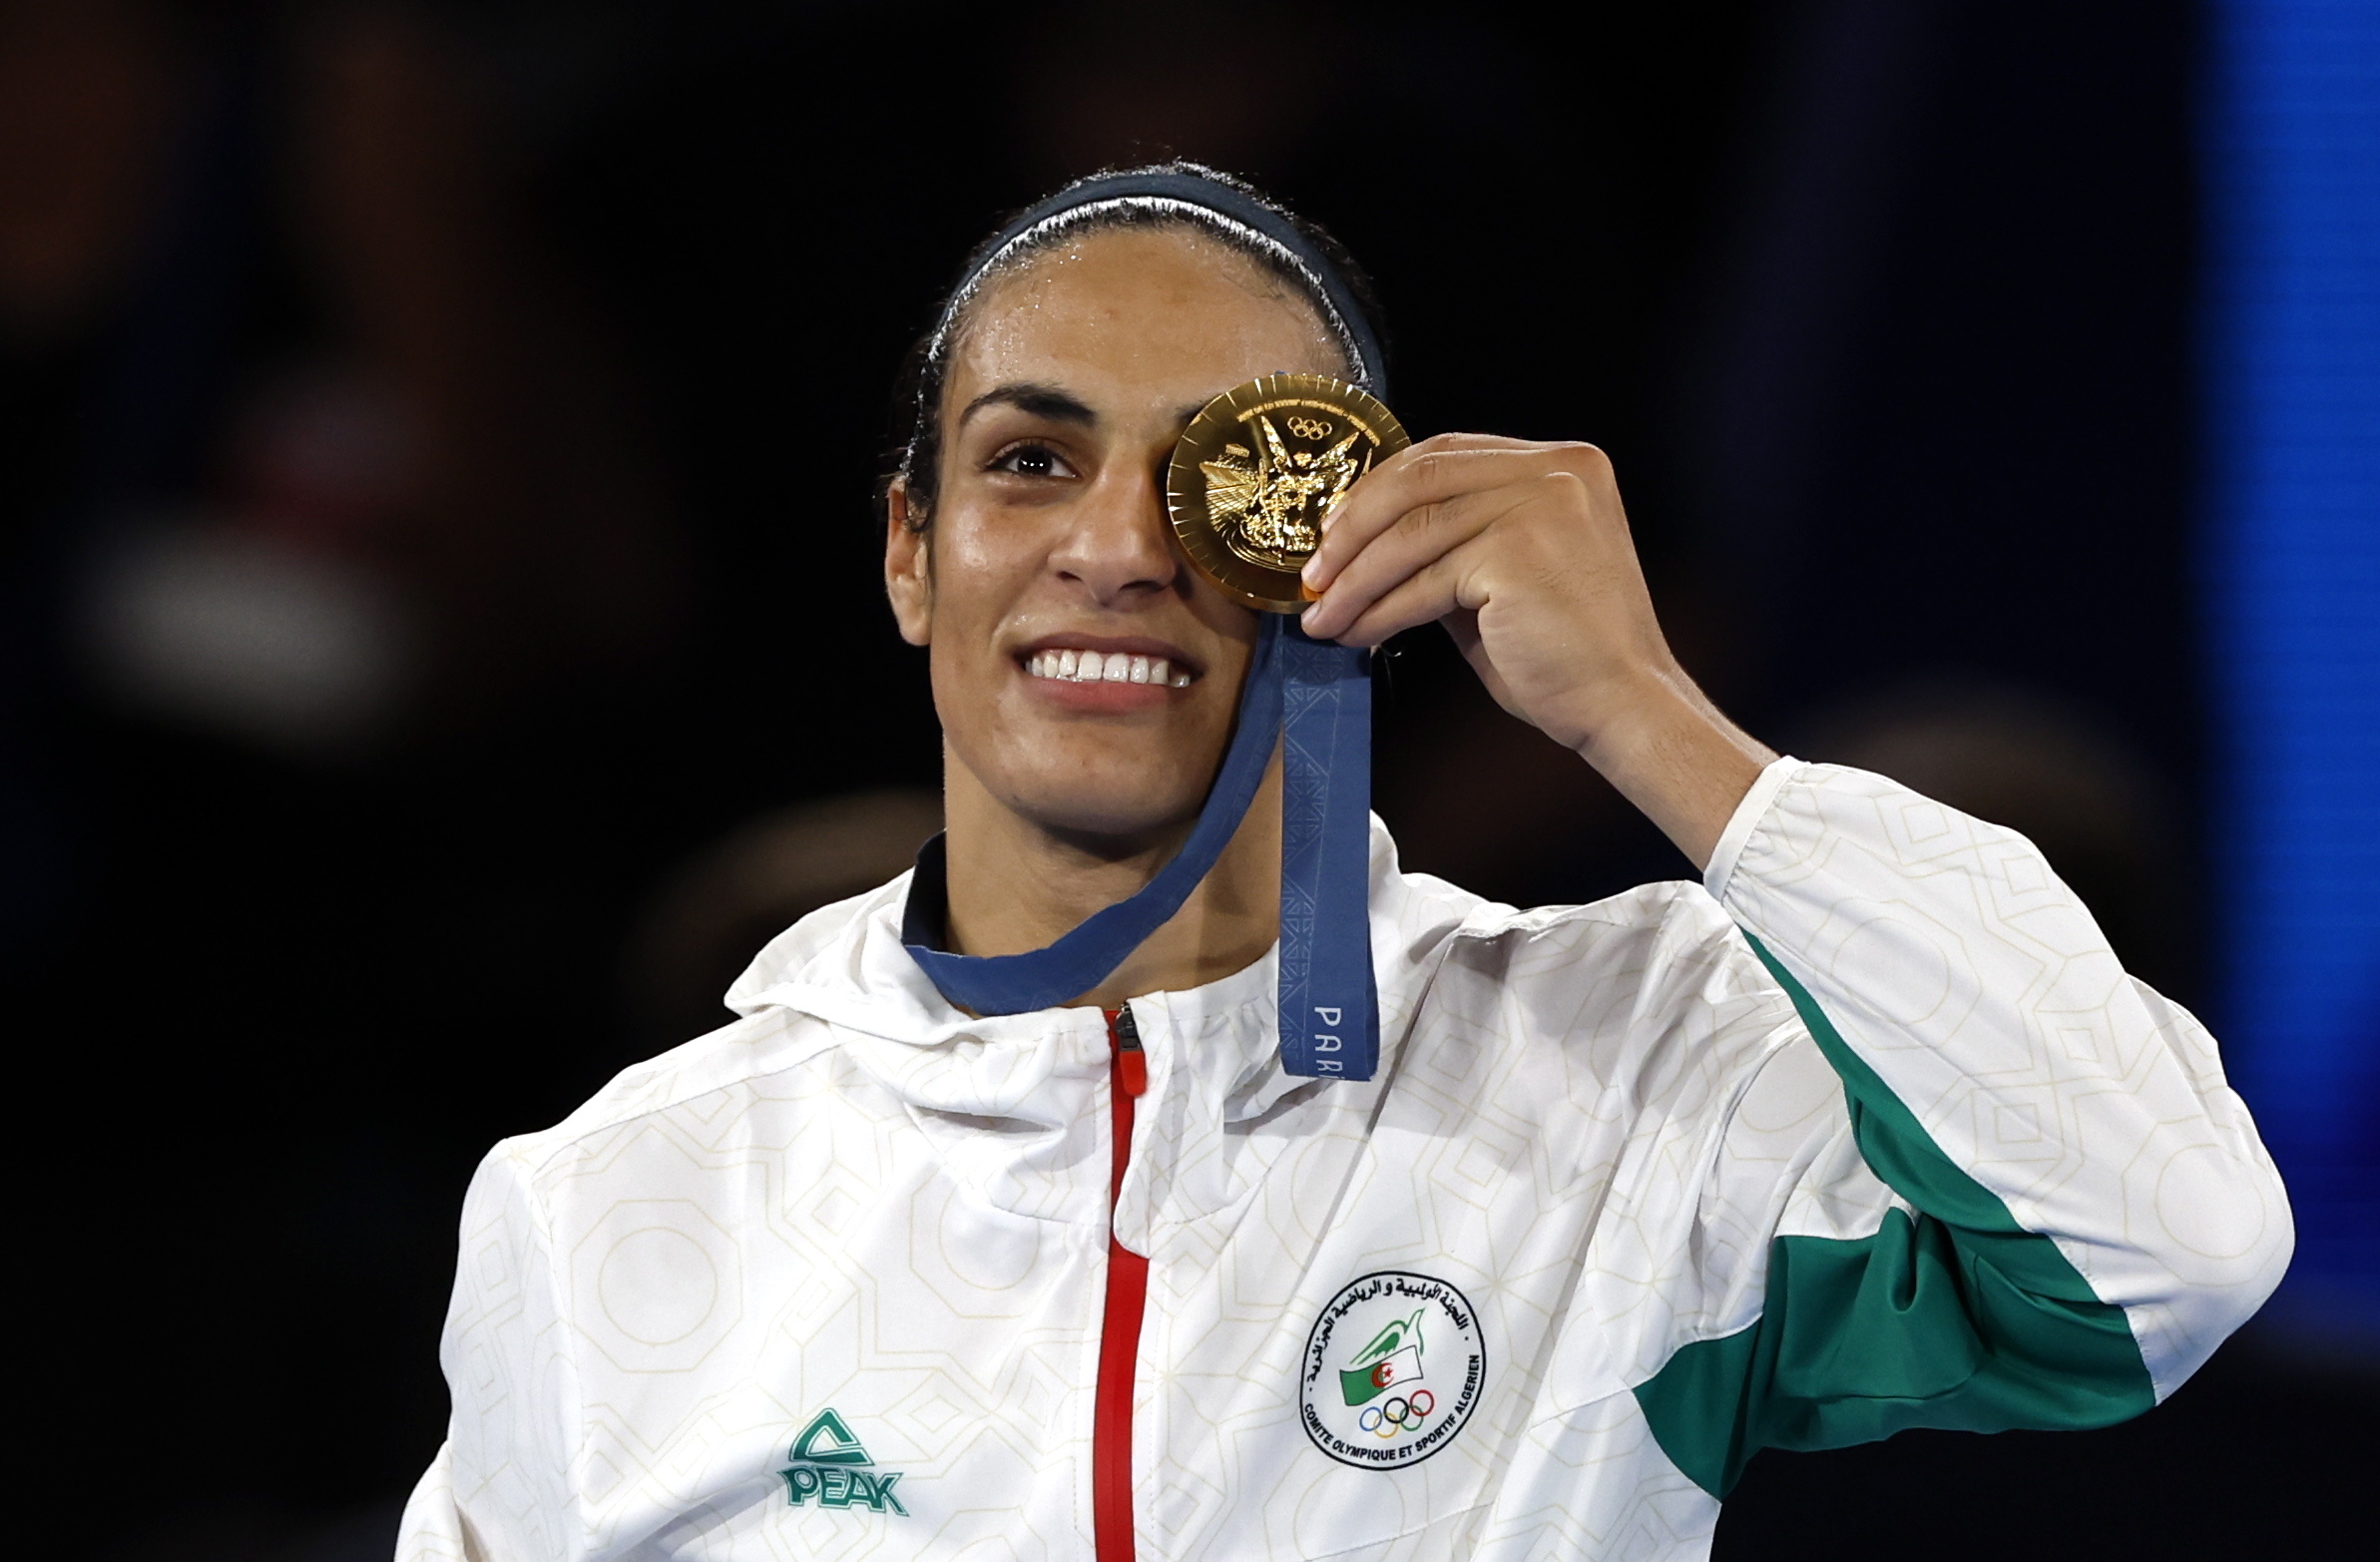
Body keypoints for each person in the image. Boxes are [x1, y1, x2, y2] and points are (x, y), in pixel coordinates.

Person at [398, 166, 2288, 1562]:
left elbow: (2161, 1245)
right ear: (913, 549)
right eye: (1029, 462)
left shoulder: (1634, 1074)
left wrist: (1646, 713)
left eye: (1214, 472)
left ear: (1349, 551)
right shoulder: (609, 1203)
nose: (1116, 551)